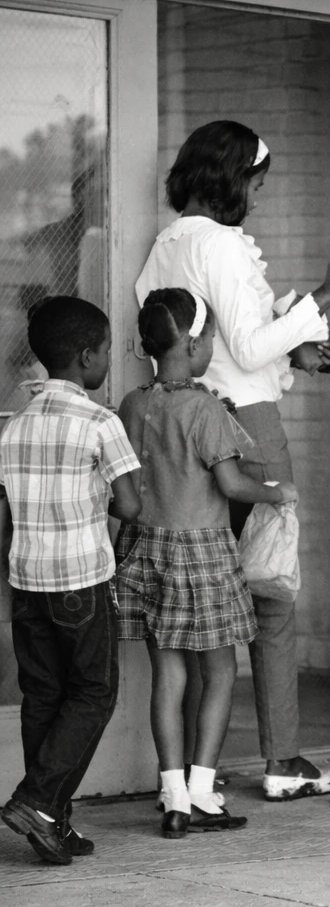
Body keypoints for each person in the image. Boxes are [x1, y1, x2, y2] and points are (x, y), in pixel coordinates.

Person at [136, 121, 330, 802]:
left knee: (194, 596)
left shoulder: (164, 246)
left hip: (179, 423)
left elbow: (191, 340)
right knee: (270, 594)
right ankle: (281, 759)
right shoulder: (222, 243)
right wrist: (321, 299)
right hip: (247, 426)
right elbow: (252, 346)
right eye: (256, 185)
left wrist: (299, 340)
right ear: (232, 180)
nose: (257, 200)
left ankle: (188, 773)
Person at [115, 289, 300, 838]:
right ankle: (201, 792)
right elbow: (231, 483)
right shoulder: (203, 407)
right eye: (212, 339)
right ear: (192, 344)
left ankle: (171, 796)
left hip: (145, 546)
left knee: (168, 673)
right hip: (201, 551)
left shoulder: (133, 403)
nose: (213, 347)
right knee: (221, 670)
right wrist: (277, 491)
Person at [0, 297, 141, 864]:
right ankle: (37, 800)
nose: (109, 358)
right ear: (87, 357)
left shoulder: (14, 425)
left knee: (43, 698)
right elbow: (130, 506)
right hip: (80, 581)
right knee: (92, 693)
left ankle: (52, 821)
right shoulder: (101, 422)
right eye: (106, 350)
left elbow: (7, 509)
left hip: (26, 581)